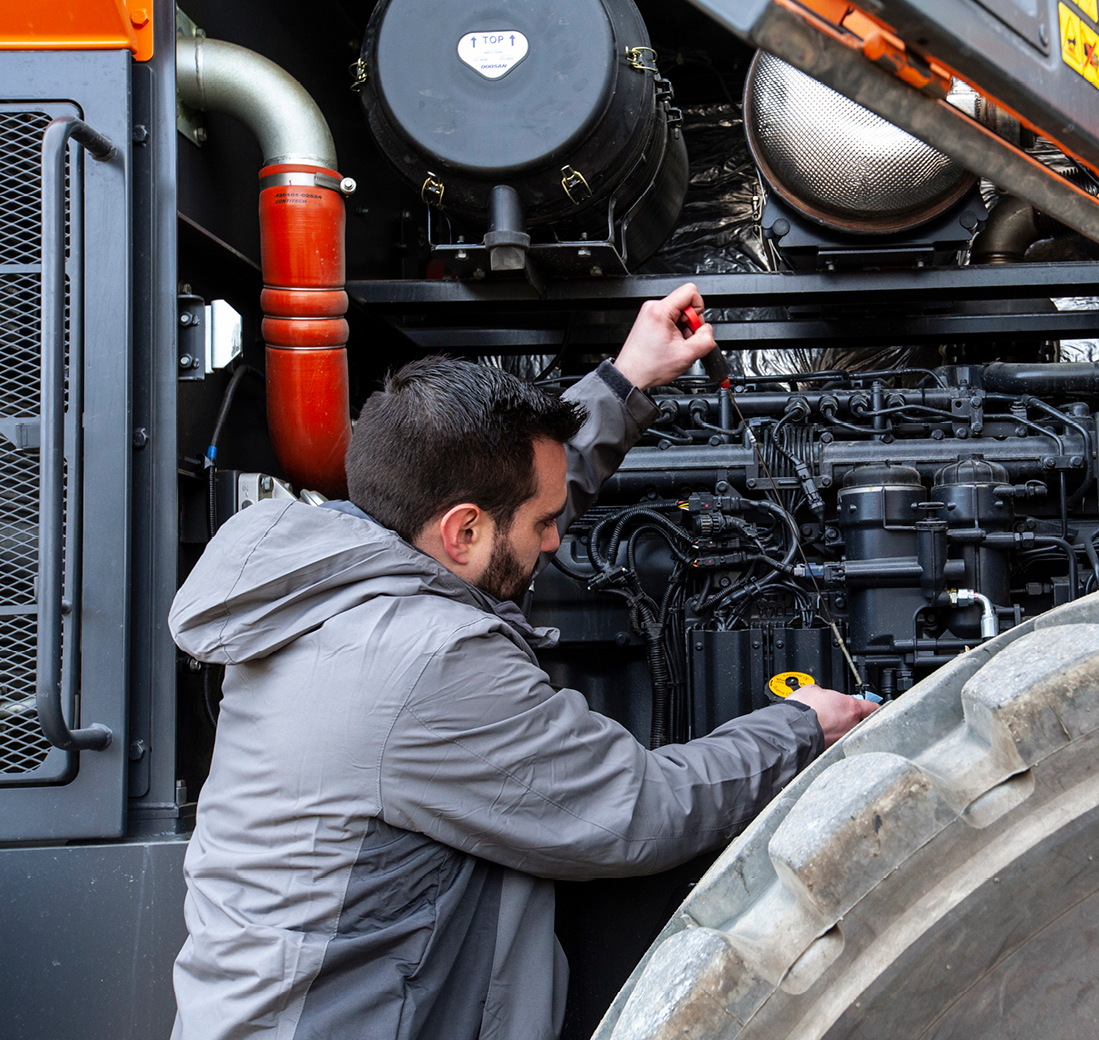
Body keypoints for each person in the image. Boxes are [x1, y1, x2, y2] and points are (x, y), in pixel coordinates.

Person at [167, 283, 876, 1040]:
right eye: (544, 525)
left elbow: (515, 497)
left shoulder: (345, 563)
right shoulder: (426, 660)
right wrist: (800, 727)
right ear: (461, 531)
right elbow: (639, 808)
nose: (554, 542)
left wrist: (626, 379)